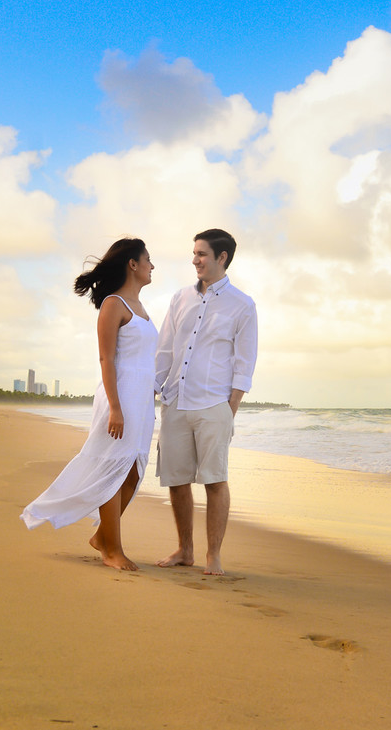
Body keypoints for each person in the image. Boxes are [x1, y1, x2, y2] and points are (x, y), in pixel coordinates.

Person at [21, 238, 157, 572]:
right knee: (113, 467)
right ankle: (113, 550)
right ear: (133, 264)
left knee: (132, 471)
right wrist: (115, 407)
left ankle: (101, 535)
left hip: (142, 401)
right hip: (120, 396)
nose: (153, 266)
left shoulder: (141, 307)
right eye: (148, 260)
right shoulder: (114, 304)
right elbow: (106, 358)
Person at [154, 228, 257, 575]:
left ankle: (214, 555)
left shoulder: (243, 305)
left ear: (221, 258)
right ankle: (185, 550)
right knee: (177, 479)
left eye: (201, 254)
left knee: (214, 479)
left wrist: (229, 410)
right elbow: (165, 349)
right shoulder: (180, 298)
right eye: (194, 253)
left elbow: (245, 364)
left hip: (214, 404)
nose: (195, 260)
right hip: (176, 401)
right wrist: (153, 391)